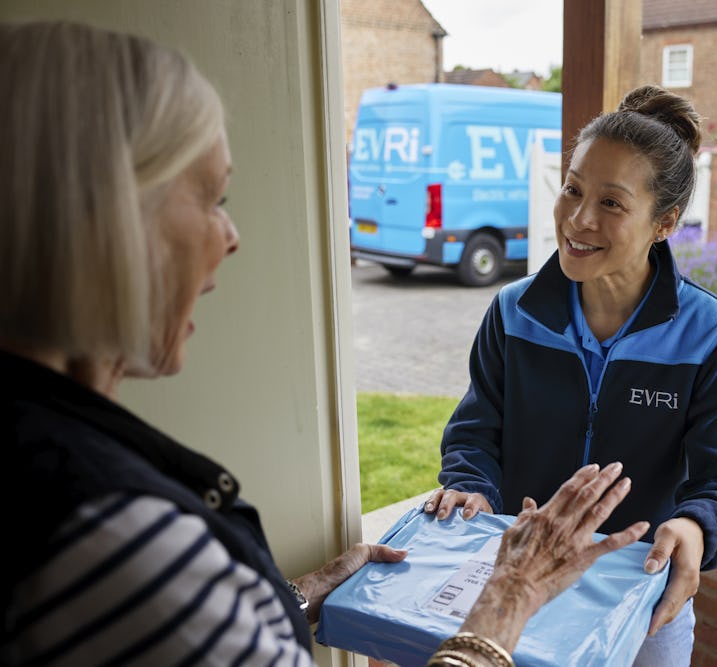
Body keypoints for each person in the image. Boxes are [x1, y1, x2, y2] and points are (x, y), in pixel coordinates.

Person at [0, 21, 649, 667]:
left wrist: (291, 595)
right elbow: (476, 427)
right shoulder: (113, 538)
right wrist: (513, 589)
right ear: (103, 218)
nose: (231, 236)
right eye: (213, 196)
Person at [424, 85, 717, 667]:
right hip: (514, 591)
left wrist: (696, 526)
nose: (578, 219)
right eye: (573, 189)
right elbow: (477, 430)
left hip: (639, 604)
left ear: (665, 222)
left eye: (612, 203)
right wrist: (471, 483)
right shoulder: (512, 313)